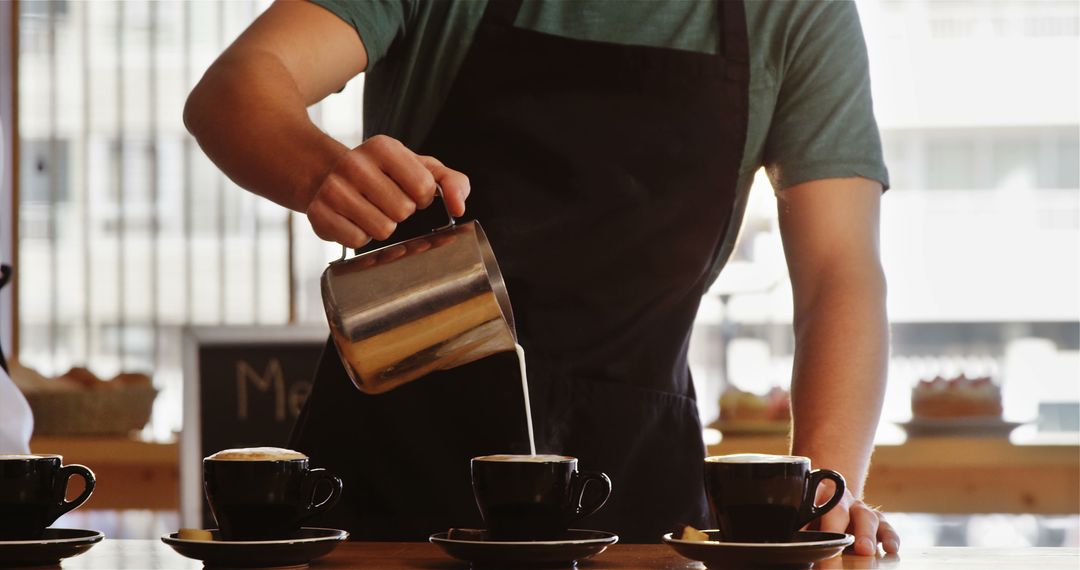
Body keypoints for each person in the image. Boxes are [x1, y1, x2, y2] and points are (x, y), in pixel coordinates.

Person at [185, 0, 900, 553]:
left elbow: (838, 271)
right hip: (393, 488)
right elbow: (235, 89)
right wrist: (322, 172)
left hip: (637, 505)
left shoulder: (796, 13)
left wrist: (827, 493)